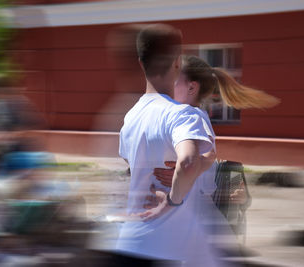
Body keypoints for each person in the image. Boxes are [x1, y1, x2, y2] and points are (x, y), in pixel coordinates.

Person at [112, 24, 222, 267]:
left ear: (141, 63)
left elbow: (133, 166)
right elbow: (189, 162)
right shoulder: (182, 115)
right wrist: (171, 200)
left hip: (129, 242)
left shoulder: (130, 118)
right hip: (165, 248)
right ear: (177, 62)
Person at [149, 54, 279, 253]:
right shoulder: (176, 117)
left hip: (190, 215)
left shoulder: (192, 117)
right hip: (180, 212)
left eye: (172, 79)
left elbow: (202, 159)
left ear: (192, 88)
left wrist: (186, 168)